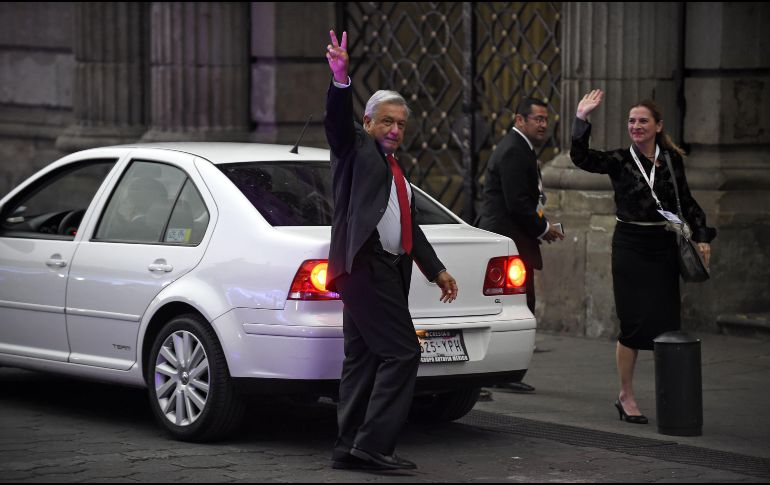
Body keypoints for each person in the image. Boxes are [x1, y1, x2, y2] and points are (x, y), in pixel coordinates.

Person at [324, 30, 459, 471]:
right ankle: (374, 445)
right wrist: (341, 80)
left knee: (362, 358)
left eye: (401, 123)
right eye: (387, 121)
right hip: (365, 267)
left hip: (384, 270)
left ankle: (348, 447)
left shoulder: (395, 169)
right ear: (368, 123)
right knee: (403, 353)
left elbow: (408, 226)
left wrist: (435, 270)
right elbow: (337, 126)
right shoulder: (356, 150)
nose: (395, 130)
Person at [570, 89, 716, 424]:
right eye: (631, 121)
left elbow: (688, 202)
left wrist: (702, 235)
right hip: (630, 247)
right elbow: (582, 159)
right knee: (633, 324)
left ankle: (672, 394)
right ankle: (626, 394)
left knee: (666, 323)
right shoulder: (620, 160)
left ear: (658, 126)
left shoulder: (670, 161)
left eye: (642, 121)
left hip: (662, 245)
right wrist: (582, 119)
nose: (636, 126)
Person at [478, 97, 564, 393]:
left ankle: (504, 371)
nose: (543, 124)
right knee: (517, 305)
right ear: (519, 120)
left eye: (545, 119)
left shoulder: (521, 148)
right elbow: (517, 203)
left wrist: (542, 227)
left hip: (512, 238)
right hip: (508, 240)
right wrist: (544, 229)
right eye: (537, 118)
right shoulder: (515, 150)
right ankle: (505, 373)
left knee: (518, 303)